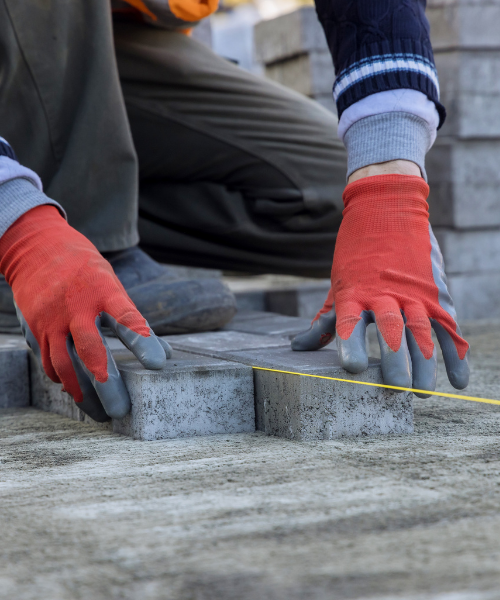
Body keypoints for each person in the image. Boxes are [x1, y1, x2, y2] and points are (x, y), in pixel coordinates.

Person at [0, 0, 469, 421]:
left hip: (115, 47)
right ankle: (64, 248)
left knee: (329, 196)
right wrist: (20, 227)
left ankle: (88, 230)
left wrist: (386, 182)